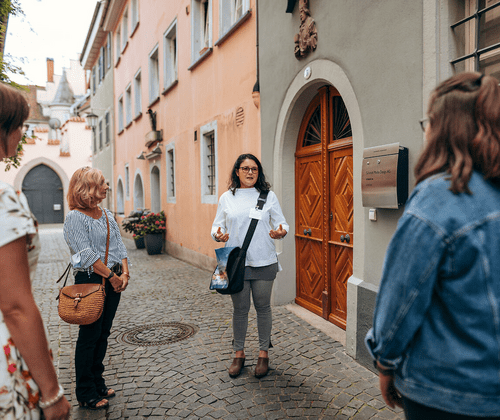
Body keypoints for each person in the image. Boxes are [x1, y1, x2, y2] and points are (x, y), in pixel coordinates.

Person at [365, 72, 500, 420]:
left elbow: (402, 297)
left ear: (442, 129)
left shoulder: (440, 198)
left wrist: (384, 361)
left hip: (447, 389)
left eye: (428, 122)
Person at [0, 83, 71, 419]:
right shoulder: (3, 199)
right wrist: (51, 393)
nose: (22, 135)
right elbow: (15, 306)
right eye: (19, 126)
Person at [211, 153, 288, 379]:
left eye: (254, 169)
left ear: (258, 172)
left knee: (263, 308)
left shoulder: (268, 196)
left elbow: (282, 223)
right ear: (237, 172)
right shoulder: (227, 197)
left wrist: (281, 231)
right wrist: (217, 234)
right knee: (240, 310)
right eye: (245, 168)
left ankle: (264, 354)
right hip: (237, 264)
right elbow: (216, 226)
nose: (250, 172)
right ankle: (239, 354)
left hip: (264, 260)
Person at [63, 167, 130, 410]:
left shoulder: (106, 214)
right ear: (87, 188)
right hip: (91, 280)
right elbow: (86, 254)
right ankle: (85, 392)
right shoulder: (74, 218)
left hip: (113, 277)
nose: (107, 187)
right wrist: (111, 276)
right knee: (89, 336)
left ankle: (98, 382)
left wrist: (125, 272)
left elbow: (119, 245)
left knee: (103, 333)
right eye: (102, 183)